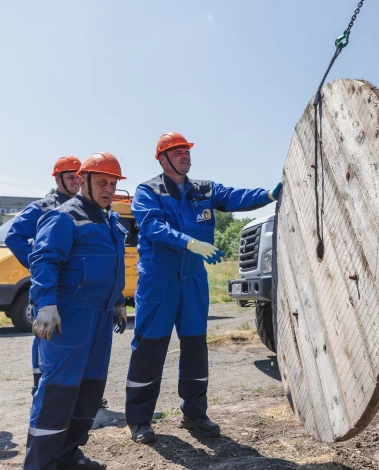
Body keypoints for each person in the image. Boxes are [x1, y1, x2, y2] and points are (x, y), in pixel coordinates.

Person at [125, 132, 282, 444]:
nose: (185, 156)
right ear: (163, 158)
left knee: (196, 347)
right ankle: (140, 420)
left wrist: (269, 194)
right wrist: (190, 243)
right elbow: (153, 227)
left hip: (193, 281)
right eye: (178, 151)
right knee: (150, 348)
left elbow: (236, 196)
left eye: (186, 151)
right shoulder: (148, 191)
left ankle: (195, 414)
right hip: (159, 281)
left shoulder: (204, 190)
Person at [25, 153, 129, 470]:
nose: (108, 188)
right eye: (102, 182)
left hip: (100, 317)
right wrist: (45, 304)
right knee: (58, 393)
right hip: (69, 316)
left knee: (89, 392)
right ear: (82, 181)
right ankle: (40, 464)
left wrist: (118, 300)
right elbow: (43, 260)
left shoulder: (111, 221)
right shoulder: (64, 217)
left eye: (113, 183)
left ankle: (67, 455)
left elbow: (111, 266)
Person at [6, 156, 82, 395]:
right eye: (70, 177)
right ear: (58, 179)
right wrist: (40, 267)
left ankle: (76, 387)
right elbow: (14, 237)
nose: (75, 182)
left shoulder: (85, 207)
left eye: (79, 177)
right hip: (50, 284)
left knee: (75, 337)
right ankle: (40, 384)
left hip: (75, 286)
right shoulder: (43, 207)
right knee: (46, 334)